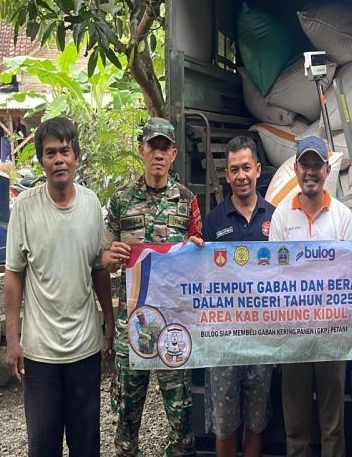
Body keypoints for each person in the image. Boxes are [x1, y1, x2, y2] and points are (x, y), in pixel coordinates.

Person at [3, 117, 114, 456]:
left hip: (84, 349)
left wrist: (108, 321)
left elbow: (99, 269)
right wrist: (12, 338)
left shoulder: (92, 205)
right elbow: (13, 274)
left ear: (76, 157)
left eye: (64, 151)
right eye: (50, 153)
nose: (58, 160)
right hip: (39, 355)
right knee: (43, 446)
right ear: (41, 161)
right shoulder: (24, 208)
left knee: (86, 445)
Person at [101, 117, 203, 457]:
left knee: (180, 417)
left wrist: (196, 248)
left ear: (173, 154)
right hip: (133, 325)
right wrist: (110, 256)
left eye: (164, 148)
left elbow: (199, 254)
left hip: (175, 325)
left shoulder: (187, 200)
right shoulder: (120, 202)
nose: (158, 154)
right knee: (127, 418)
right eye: (152, 146)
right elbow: (104, 256)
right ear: (141, 149)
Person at [269, 135, 352, 457]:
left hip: (333, 335)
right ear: (295, 168)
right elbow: (274, 279)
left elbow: (350, 275)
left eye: (316, 165)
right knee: (295, 426)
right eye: (304, 164)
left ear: (326, 169)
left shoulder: (342, 217)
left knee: (333, 425)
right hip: (294, 337)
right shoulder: (281, 217)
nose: (310, 172)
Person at [202, 136, 274, 457]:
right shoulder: (214, 221)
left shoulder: (275, 218)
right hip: (224, 340)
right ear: (227, 176)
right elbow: (200, 277)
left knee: (256, 421)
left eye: (247, 167)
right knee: (225, 422)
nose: (241, 175)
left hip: (262, 337)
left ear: (258, 170)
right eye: (234, 170)